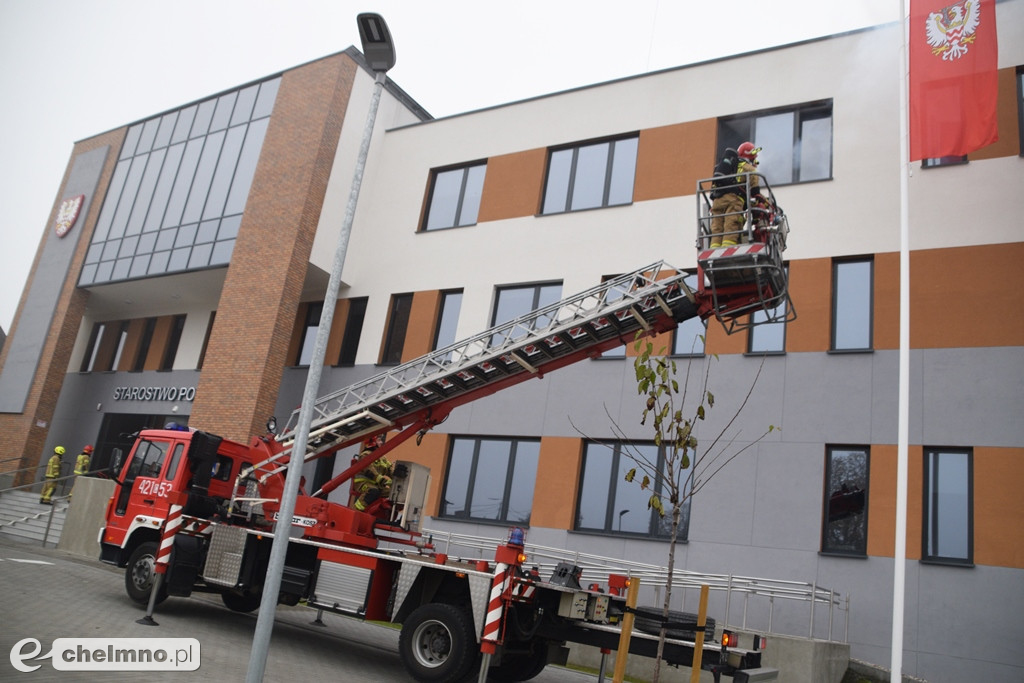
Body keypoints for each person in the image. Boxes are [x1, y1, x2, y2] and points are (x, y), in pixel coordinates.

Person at [708, 142, 761, 248]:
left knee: (717, 228)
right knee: (731, 225)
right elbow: (755, 193)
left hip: (717, 201)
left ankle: (715, 248)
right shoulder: (750, 169)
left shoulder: (725, 167)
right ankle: (728, 249)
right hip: (734, 200)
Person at [352, 436, 393, 513]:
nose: (381, 442)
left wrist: (397, 477)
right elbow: (370, 471)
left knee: (393, 493)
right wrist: (382, 480)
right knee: (373, 491)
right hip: (363, 483)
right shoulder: (365, 455)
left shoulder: (382, 457)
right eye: (379, 440)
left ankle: (381, 515)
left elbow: (389, 469)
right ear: (373, 442)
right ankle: (355, 512)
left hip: (377, 484)